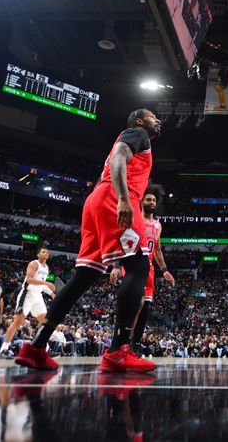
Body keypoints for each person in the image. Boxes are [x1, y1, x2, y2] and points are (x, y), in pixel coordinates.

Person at [15, 109, 161, 372]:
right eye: (152, 116)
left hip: (96, 200)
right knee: (139, 267)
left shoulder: (136, 139)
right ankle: (119, 350)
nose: (157, 120)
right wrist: (125, 199)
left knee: (83, 277)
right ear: (139, 121)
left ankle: (36, 347)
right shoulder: (137, 134)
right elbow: (118, 158)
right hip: (117, 196)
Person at [127, 191, 175, 354]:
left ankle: (135, 344)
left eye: (154, 200)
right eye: (149, 199)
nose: (152, 202)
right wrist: (118, 266)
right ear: (141, 202)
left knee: (145, 308)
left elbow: (158, 250)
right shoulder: (134, 218)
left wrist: (165, 270)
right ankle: (123, 341)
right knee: (135, 305)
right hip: (134, 263)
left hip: (150, 268)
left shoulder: (158, 225)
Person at [0, 247, 56, 358]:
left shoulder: (46, 267)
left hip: (38, 297)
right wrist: (47, 283)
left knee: (45, 324)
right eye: (43, 251)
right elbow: (29, 279)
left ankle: (45, 349)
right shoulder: (33, 263)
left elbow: (41, 284)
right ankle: (3, 350)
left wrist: (51, 294)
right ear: (38, 254)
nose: (46, 253)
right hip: (27, 294)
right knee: (17, 322)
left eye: (47, 252)